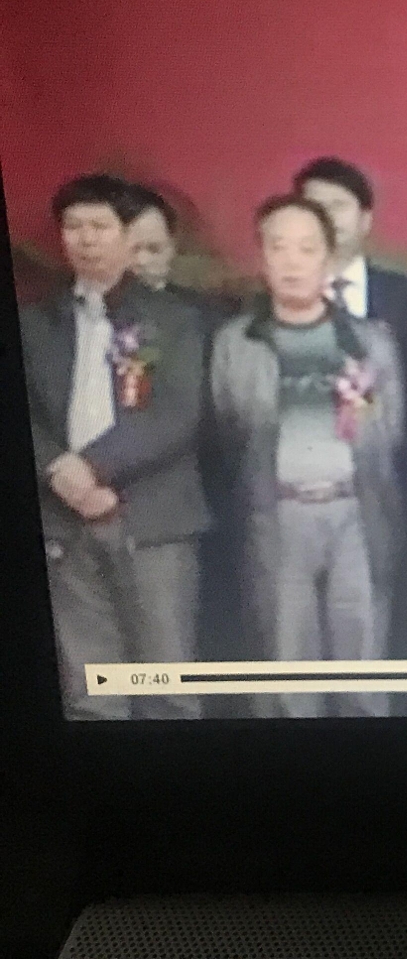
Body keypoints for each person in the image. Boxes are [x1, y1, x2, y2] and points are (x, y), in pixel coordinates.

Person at [19, 174, 210, 718]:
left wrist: (92, 468)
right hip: (64, 517)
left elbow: (177, 414)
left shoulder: (174, 319)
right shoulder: (35, 321)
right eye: (73, 227)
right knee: (92, 692)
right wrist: (59, 469)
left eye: (100, 227)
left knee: (167, 688)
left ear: (129, 237)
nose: (85, 239)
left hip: (152, 519)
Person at [209, 195, 405, 717]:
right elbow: (228, 433)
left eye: (306, 248)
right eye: (279, 247)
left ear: (329, 260)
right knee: (287, 673)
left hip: (355, 513)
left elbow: (389, 433)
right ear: (261, 258)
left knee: (362, 670)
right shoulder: (235, 343)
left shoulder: (370, 342)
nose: (292, 262)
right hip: (277, 514)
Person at [294, 156, 407, 682]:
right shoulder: (269, 305)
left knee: (396, 642)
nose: (326, 218)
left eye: (338, 206)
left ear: (366, 218)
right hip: (302, 501)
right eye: (313, 207)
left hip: (394, 493)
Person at [123, 182, 242, 672]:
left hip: (197, 499)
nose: (143, 262)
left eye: (155, 249)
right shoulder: (68, 319)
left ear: (173, 249)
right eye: (133, 249)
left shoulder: (208, 319)